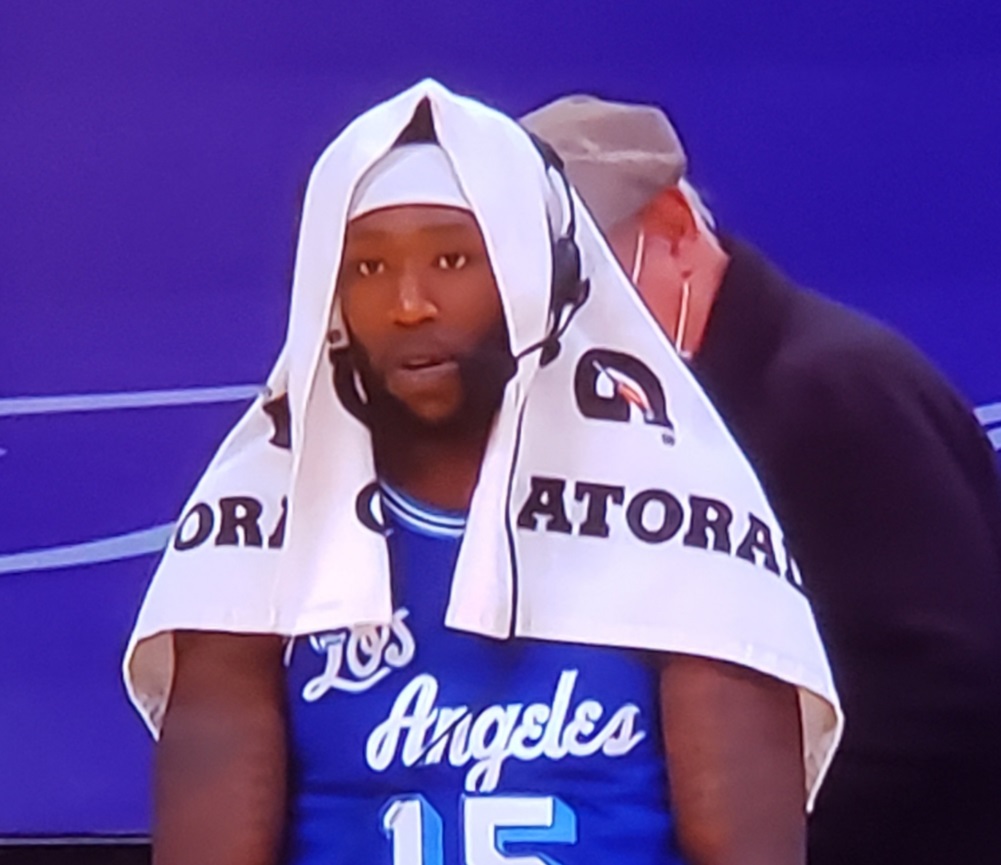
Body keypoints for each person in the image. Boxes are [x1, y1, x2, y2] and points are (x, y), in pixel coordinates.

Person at [124, 81, 840, 865]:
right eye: (364, 266)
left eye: (452, 258)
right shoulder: (256, 518)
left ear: (539, 277)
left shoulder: (683, 508)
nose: (407, 303)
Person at [521, 94, 1001, 864]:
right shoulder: (627, 418)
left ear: (675, 231)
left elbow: (948, 693)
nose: (564, 317)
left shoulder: (839, 393)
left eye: (583, 279)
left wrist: (723, 820)